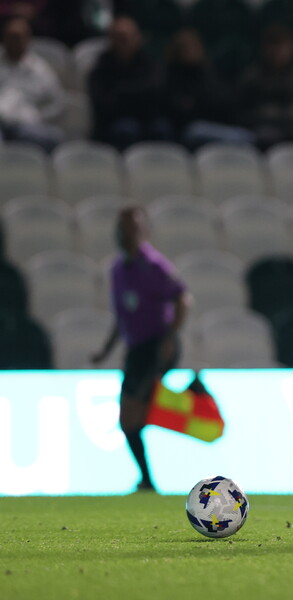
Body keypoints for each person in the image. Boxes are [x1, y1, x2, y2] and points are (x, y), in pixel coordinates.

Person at [91, 206, 191, 492]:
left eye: (132, 228)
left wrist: (170, 337)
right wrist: (106, 350)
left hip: (156, 345)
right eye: (123, 228)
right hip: (136, 350)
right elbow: (121, 316)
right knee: (131, 418)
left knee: (131, 413)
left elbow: (182, 298)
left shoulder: (154, 265)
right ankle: (147, 480)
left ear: (142, 231)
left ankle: (147, 480)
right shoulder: (118, 269)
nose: (127, 234)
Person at [158, 27, 253, 149]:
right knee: (238, 137)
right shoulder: (171, 74)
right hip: (189, 128)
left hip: (214, 124)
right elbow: (180, 110)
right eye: (185, 48)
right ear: (177, 51)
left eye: (193, 47)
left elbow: (221, 101)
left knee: (247, 136)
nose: (190, 51)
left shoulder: (207, 72)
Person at [87, 16, 169, 148]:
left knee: (162, 128)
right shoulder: (100, 68)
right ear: (111, 39)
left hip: (148, 120)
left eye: (129, 36)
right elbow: (104, 104)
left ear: (138, 38)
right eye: (120, 37)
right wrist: (138, 95)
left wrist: (122, 93)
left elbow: (157, 93)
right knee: (126, 129)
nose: (125, 41)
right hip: (113, 124)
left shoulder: (151, 64)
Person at [0, 15, 64, 150]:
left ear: (27, 39)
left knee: (53, 137)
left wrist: (37, 116)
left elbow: (57, 103)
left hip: (28, 125)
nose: (14, 41)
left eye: (18, 37)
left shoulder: (40, 70)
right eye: (10, 37)